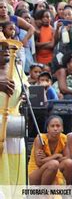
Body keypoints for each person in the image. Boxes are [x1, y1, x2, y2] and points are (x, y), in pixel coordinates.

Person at [0, 39, 28, 186]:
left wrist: (25, 94)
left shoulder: (16, 68)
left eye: (6, 47)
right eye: (1, 47)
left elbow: (26, 88)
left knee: (15, 164)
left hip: (14, 123)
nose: (5, 50)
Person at [28, 115, 72, 185]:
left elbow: (67, 157)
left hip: (53, 168)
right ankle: (44, 193)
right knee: (53, 164)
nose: (55, 129)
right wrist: (56, 156)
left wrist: (47, 159)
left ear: (62, 128)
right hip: (36, 172)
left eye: (58, 126)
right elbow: (39, 163)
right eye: (52, 126)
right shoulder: (40, 139)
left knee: (69, 163)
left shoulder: (64, 138)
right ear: (48, 129)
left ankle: (66, 191)